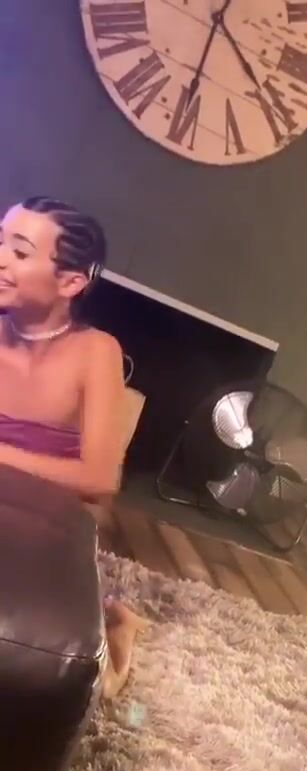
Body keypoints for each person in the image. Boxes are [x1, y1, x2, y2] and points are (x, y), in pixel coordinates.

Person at [0, 195, 144, 698]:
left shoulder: (96, 351)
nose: (0, 258)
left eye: (19, 251)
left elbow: (100, 479)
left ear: (70, 283)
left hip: (46, 522)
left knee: (83, 688)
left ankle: (118, 630)